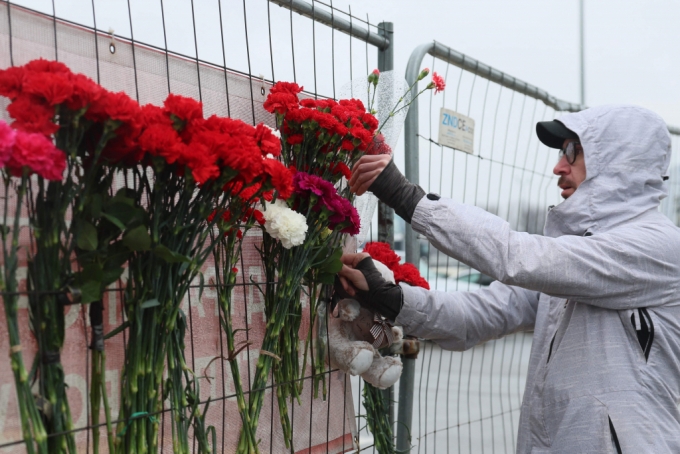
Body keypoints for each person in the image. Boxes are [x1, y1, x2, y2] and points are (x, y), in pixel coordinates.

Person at [337, 104, 680, 453]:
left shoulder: (655, 246)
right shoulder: (581, 255)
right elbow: (486, 311)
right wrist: (392, 298)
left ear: (617, 164)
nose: (558, 166)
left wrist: (407, 197)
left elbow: (516, 256)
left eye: (572, 151)